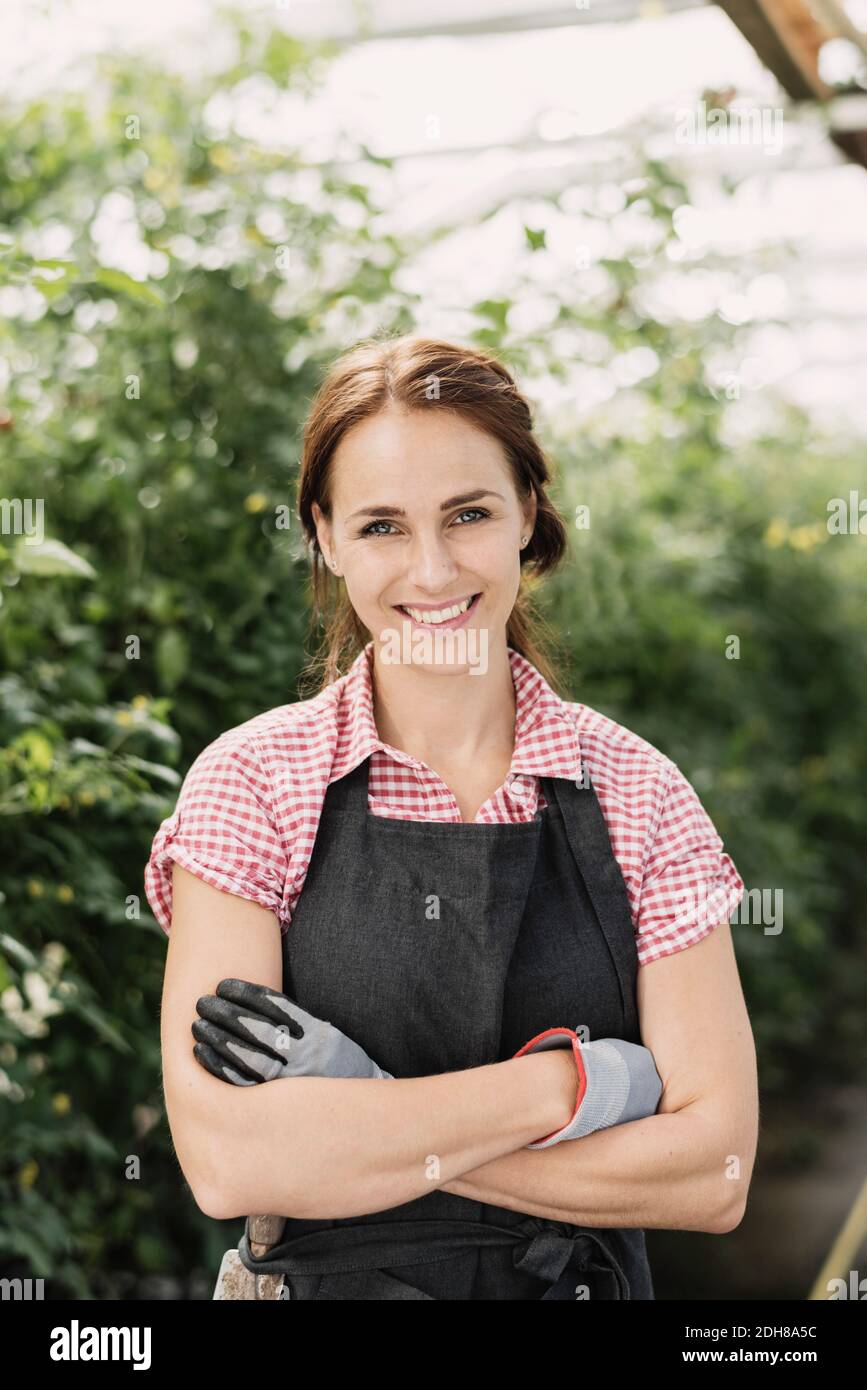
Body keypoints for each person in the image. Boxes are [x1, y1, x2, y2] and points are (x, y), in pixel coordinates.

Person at [147, 334, 758, 1300]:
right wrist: (571, 1089)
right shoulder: (255, 783)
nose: (430, 571)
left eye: (467, 514)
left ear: (526, 513)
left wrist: (361, 1110)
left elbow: (713, 1172)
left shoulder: (638, 790)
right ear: (325, 535)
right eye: (382, 526)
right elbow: (232, 1163)